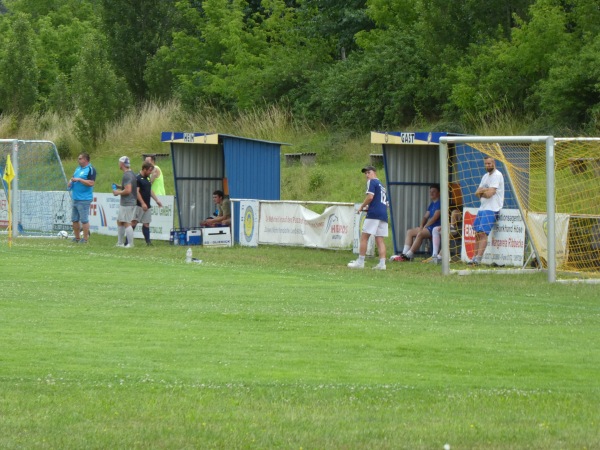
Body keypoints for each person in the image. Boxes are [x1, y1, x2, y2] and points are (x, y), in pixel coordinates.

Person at [348, 165, 388, 270]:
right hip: (383, 214)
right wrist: (369, 207)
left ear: (374, 172)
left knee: (364, 237)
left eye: (368, 172)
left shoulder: (372, 182)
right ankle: (382, 264)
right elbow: (385, 203)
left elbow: (370, 197)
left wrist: (361, 207)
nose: (366, 175)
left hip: (374, 214)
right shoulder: (382, 185)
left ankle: (360, 262)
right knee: (380, 239)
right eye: (365, 173)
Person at [469, 156, 504, 265]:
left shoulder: (497, 175)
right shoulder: (485, 176)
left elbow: (489, 195)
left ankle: (479, 259)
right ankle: (473, 257)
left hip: (492, 208)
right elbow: (476, 193)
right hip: (482, 208)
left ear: (494, 163)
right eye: (486, 164)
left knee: (483, 233)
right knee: (477, 234)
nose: (487, 165)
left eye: (489, 163)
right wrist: (485, 190)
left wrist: (482, 191)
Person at [396, 184, 441, 261]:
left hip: (435, 228)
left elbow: (434, 218)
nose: (431, 193)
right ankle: (404, 254)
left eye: (434, 192)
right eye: (430, 192)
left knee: (420, 233)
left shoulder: (440, 203)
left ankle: (409, 255)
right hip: (428, 227)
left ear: (439, 193)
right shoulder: (432, 204)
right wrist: (421, 226)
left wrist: (424, 227)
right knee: (410, 232)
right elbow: (425, 217)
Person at [132, 161, 163, 246]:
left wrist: (157, 200)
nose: (150, 172)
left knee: (146, 223)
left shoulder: (148, 178)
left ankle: (148, 242)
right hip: (139, 205)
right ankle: (128, 241)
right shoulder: (137, 178)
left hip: (147, 205)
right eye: (149, 171)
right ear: (144, 169)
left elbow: (149, 190)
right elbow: (136, 191)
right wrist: (142, 203)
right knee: (134, 222)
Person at [68, 152, 96, 244]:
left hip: (84, 198)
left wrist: (79, 180)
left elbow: (91, 183)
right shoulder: (78, 169)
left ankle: (85, 239)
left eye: (80, 158)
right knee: (74, 219)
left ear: (85, 160)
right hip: (75, 197)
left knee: (84, 219)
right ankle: (77, 238)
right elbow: (73, 178)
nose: (78, 160)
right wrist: (70, 182)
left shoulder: (90, 169)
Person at [113, 156, 138, 248]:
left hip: (128, 202)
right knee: (120, 221)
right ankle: (120, 243)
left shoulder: (127, 175)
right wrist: (120, 187)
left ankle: (130, 244)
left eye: (119, 162)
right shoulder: (132, 173)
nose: (118, 164)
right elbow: (129, 187)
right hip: (129, 202)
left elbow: (128, 190)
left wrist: (117, 192)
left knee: (127, 222)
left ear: (122, 164)